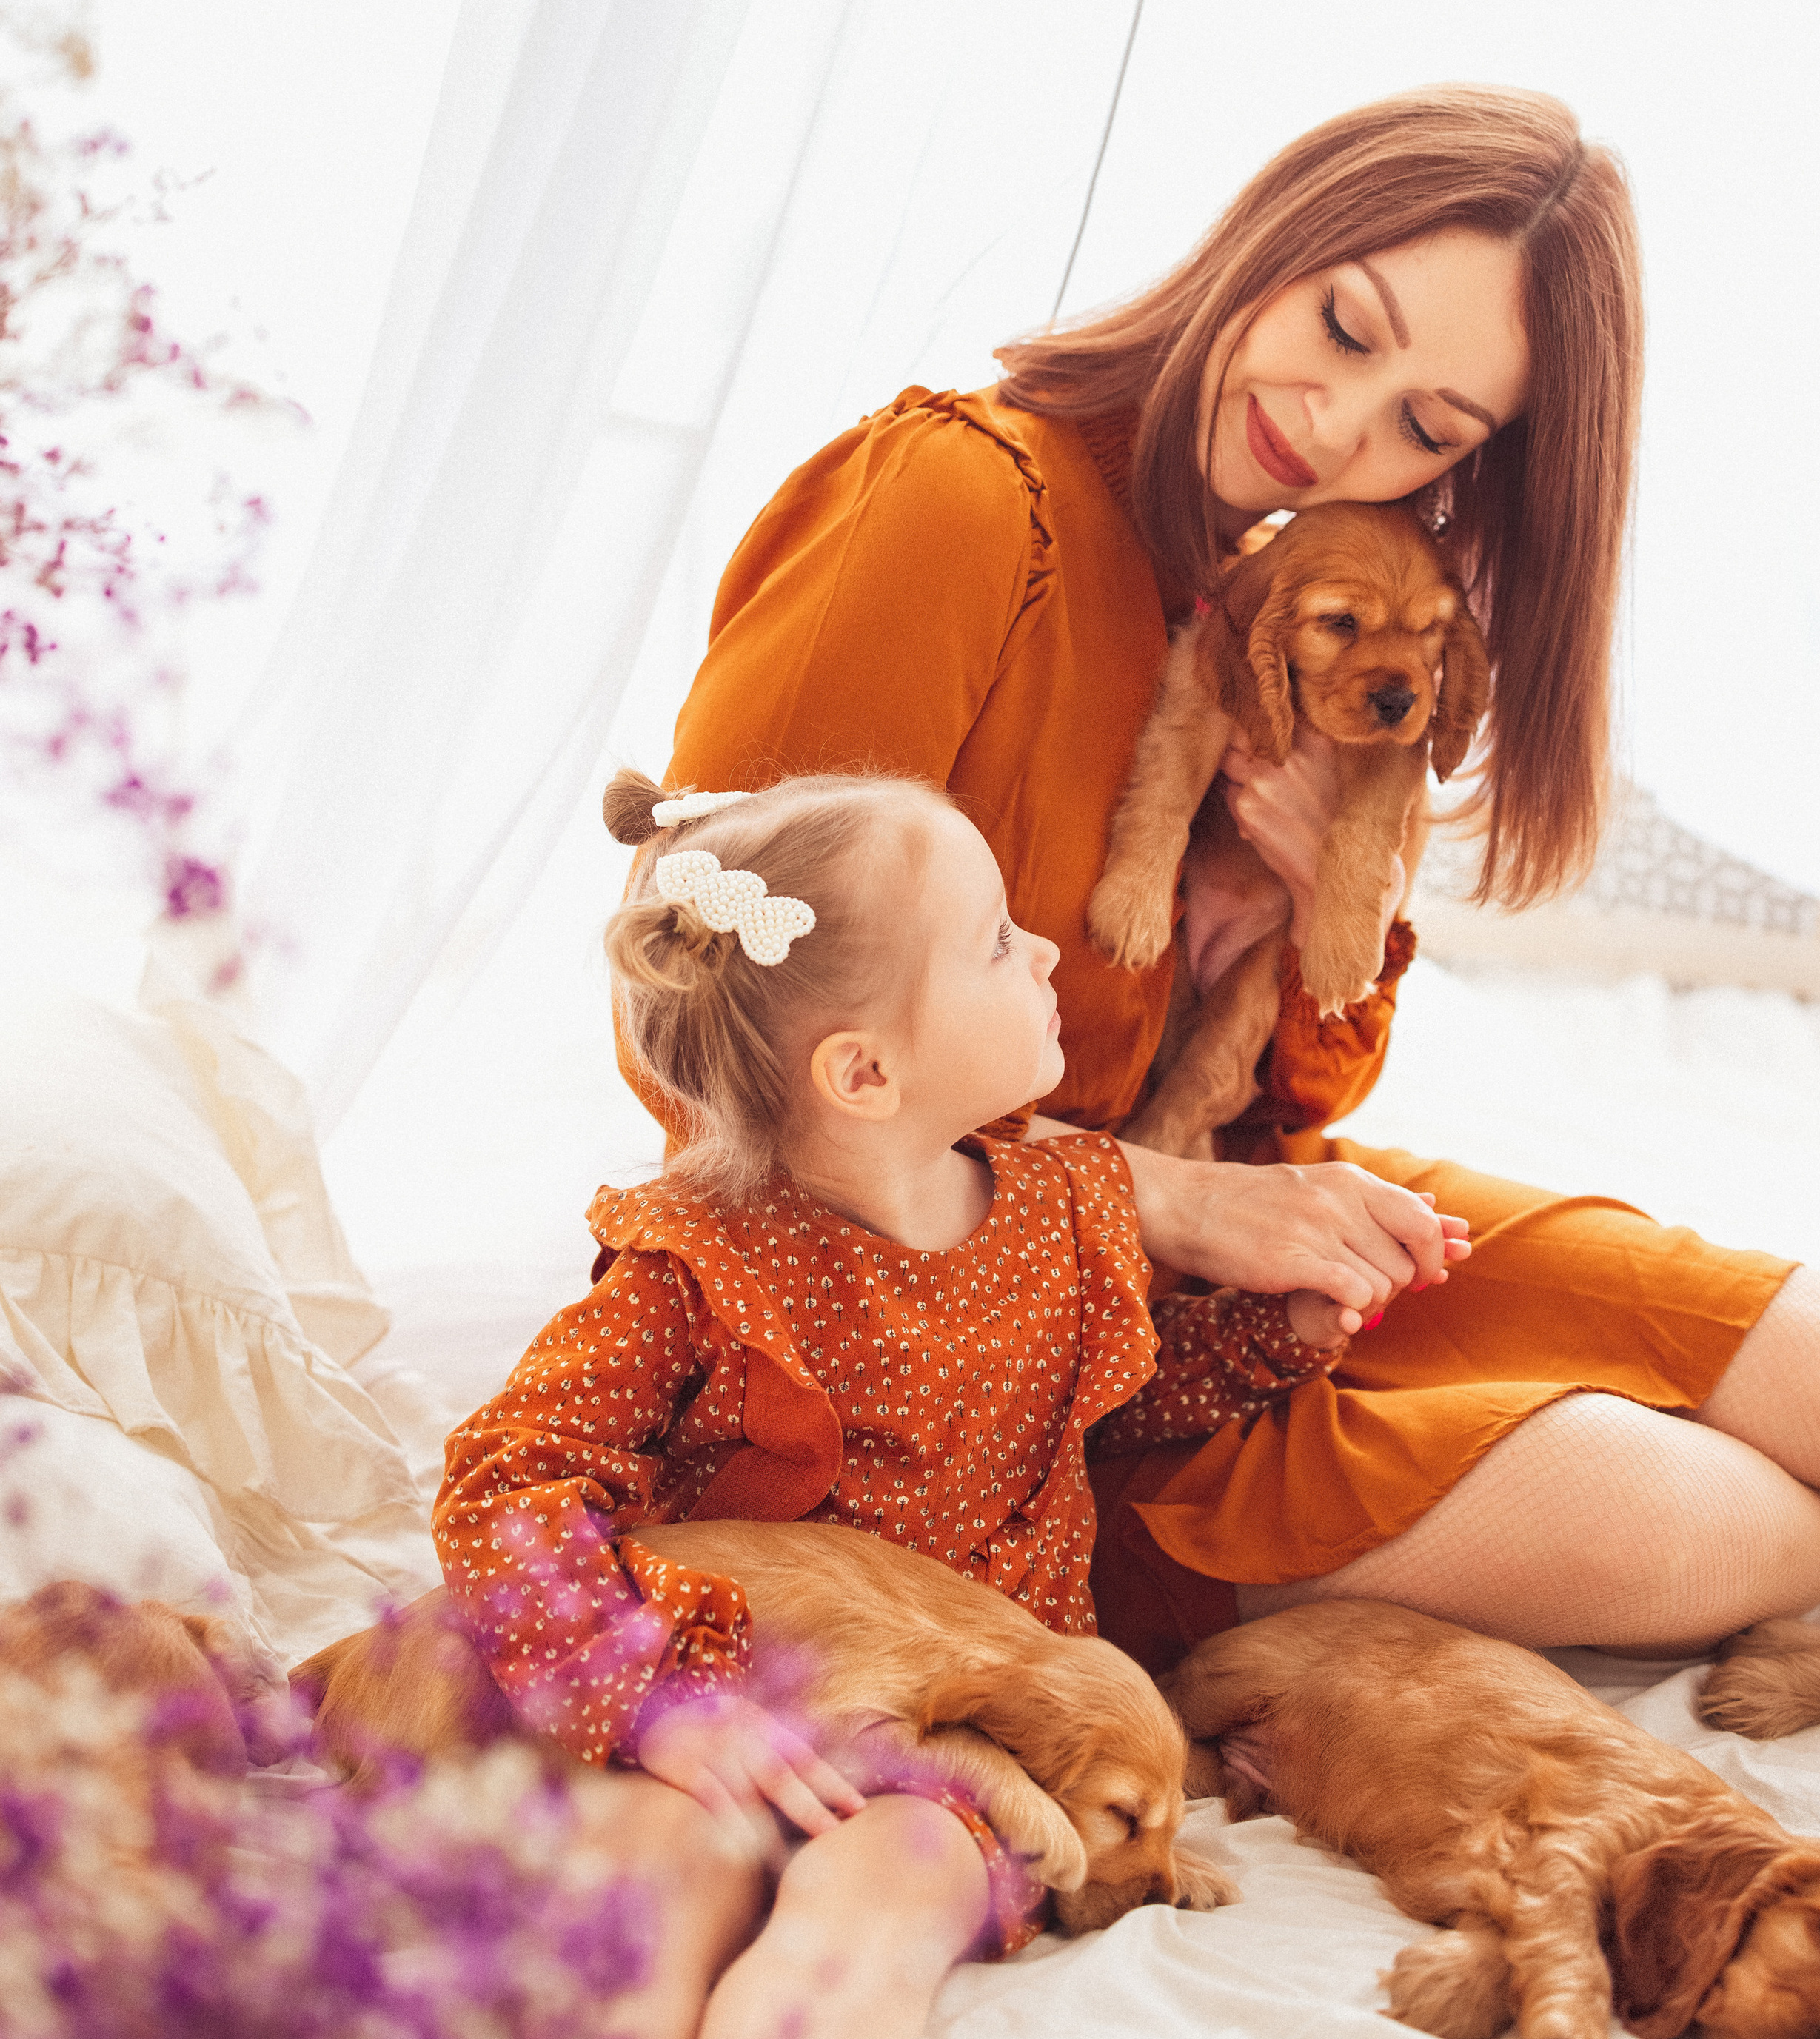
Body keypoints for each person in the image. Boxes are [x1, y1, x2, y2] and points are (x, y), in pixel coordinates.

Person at [625, 83, 1820, 1670]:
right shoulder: (957, 500)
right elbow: (701, 1025)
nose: (1341, 423)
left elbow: (1286, 1077)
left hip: (1229, 1229)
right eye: (1342, 323)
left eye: (1428, 427)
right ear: (1274, 237)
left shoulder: (1298, 594)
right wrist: (1164, 1200)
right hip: (960, 1359)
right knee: (1698, 1519)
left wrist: (1312, 892)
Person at [437, 769, 1371, 2039]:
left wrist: (1272, 1338)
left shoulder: (1067, 1205)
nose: (1045, 948)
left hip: (972, 1740)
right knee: (655, 1868)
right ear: (866, 1071)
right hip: (736, 1699)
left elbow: (1095, 1417)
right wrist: (645, 1702)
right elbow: (504, 1486)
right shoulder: (694, 1264)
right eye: (995, 938)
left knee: (897, 1887)